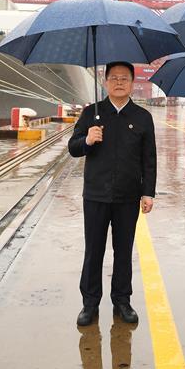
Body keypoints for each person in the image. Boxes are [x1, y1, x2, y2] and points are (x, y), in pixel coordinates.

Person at [68, 62, 157, 326]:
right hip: (96, 194)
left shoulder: (142, 117)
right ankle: (90, 304)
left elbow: (149, 159)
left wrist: (148, 193)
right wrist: (87, 140)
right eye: (114, 78)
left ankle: (122, 301)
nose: (119, 82)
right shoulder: (91, 114)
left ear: (132, 83)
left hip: (127, 197)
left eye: (124, 78)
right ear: (106, 82)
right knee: (93, 251)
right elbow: (73, 147)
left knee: (123, 251)